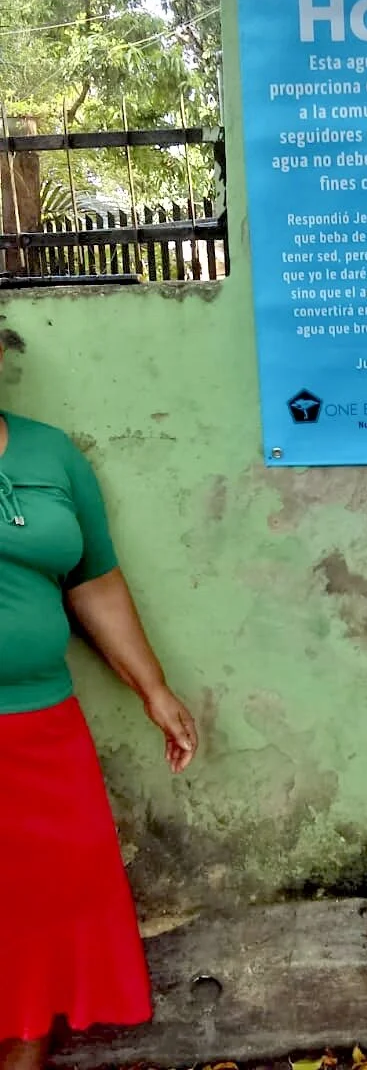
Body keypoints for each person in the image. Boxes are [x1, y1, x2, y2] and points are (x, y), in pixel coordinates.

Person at [0, 338, 198, 1070]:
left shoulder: (50, 454)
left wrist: (153, 688)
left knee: (42, 918)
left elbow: (95, 580)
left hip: (42, 733)